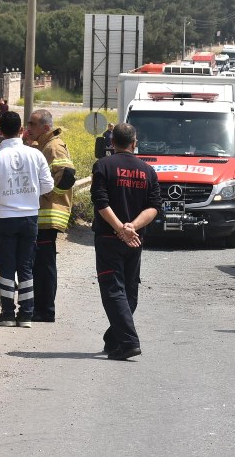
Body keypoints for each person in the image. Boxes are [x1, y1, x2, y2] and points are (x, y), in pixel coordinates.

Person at [90, 123, 160, 360]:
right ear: (134, 142)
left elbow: (100, 202)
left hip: (111, 238)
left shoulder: (103, 165)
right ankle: (114, 339)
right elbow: (154, 207)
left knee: (114, 291)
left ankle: (128, 342)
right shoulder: (148, 171)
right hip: (135, 239)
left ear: (112, 143)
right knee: (128, 292)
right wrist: (132, 228)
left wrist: (121, 228)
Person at [0, 111, 53, 328]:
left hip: (5, 218)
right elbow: (48, 185)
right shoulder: (36, 155)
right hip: (30, 218)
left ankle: (8, 313)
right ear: (22, 130)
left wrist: (2, 197)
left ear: (0, 132)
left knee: (7, 266)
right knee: (26, 266)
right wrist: (30, 195)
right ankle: (26, 314)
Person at [25, 109, 77, 323]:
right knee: (41, 264)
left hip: (49, 214)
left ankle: (45, 310)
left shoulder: (54, 146)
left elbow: (67, 176)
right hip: (46, 213)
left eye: (33, 124)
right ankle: (42, 307)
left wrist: (47, 192)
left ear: (46, 127)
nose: (29, 128)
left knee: (44, 265)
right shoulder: (45, 145)